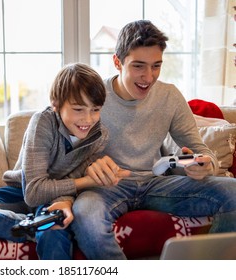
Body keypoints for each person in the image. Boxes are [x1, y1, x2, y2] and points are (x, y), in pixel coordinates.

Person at [69, 20, 236, 260]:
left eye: (156, 66)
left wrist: (206, 164)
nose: (148, 77)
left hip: (154, 183)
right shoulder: (92, 96)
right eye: (139, 66)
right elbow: (65, 153)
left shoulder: (169, 96)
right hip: (107, 188)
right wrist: (87, 165)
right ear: (117, 62)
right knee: (85, 214)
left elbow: (202, 150)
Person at [0, 62, 129, 259]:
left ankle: (39, 225)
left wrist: (64, 201)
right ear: (57, 105)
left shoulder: (99, 136)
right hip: (21, 191)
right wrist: (89, 180)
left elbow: (71, 183)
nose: (88, 119)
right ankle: (30, 226)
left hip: (57, 199)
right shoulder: (43, 122)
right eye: (78, 109)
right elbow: (33, 192)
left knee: (52, 232)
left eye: (95, 109)